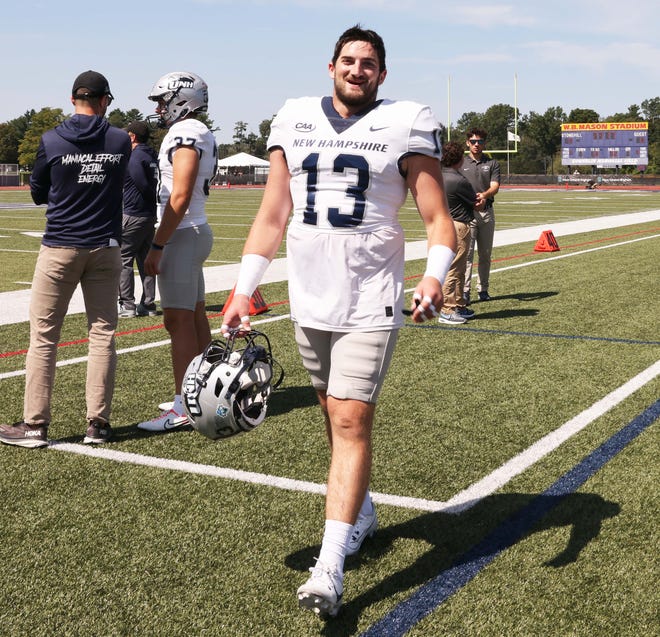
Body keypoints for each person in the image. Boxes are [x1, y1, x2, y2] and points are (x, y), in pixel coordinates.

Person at [220, 25, 457, 618]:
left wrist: (432, 276)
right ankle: (363, 512)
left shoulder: (406, 122)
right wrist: (243, 290)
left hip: (370, 298)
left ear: (382, 73)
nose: (358, 70)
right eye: (348, 61)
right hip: (310, 296)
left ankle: (330, 567)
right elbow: (273, 213)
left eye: (369, 63)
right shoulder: (295, 118)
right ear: (331, 67)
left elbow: (437, 216)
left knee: (351, 419)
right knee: (332, 412)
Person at [0, 70, 131, 448]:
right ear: (105, 99)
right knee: (102, 335)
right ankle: (98, 425)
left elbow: (39, 192)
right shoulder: (121, 139)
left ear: (73, 97)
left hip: (59, 245)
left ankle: (35, 425)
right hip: (105, 246)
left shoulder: (51, 138)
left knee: (43, 338)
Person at [136, 72, 217, 432]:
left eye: (161, 100)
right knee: (196, 315)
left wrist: (157, 244)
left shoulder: (186, 132)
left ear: (181, 98)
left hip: (182, 234)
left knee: (177, 320)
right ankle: (207, 391)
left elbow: (179, 195)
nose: (157, 108)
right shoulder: (195, 131)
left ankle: (185, 406)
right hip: (192, 232)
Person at [438, 141, 485, 324]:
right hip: (458, 225)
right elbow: (476, 203)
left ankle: (458, 304)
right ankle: (448, 309)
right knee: (455, 268)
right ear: (459, 159)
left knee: (456, 268)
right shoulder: (459, 180)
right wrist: (480, 200)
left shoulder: (438, 176)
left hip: (443, 224)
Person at [118, 120, 159, 318]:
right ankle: (149, 304)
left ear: (132, 136)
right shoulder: (150, 154)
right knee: (145, 260)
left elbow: (141, 184)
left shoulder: (135, 157)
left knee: (123, 259)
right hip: (149, 214)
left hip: (134, 213)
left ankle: (127, 305)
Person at [462, 127, 500, 303]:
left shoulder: (492, 163)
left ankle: (483, 289)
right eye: (473, 141)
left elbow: (495, 186)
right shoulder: (461, 163)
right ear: (468, 143)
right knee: (467, 256)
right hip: (467, 213)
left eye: (480, 142)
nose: (476, 145)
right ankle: (465, 291)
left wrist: (484, 196)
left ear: (485, 143)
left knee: (485, 255)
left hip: (486, 212)